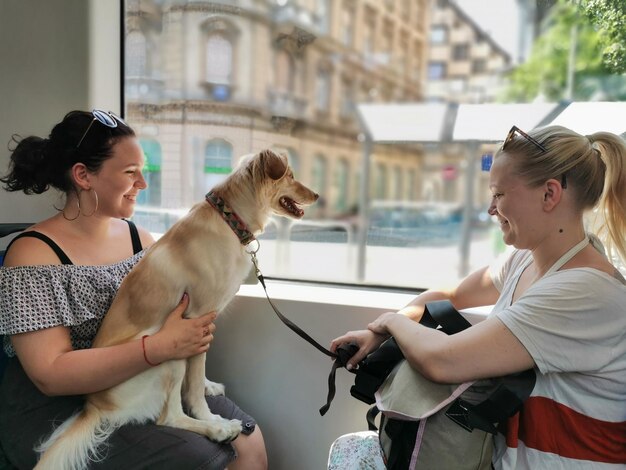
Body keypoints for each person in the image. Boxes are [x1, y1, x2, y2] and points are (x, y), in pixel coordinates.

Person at [331, 125, 626, 468]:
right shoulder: (524, 261)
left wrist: (391, 321)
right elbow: (449, 295)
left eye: (499, 194)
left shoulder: (583, 291)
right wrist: (376, 333)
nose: (490, 209)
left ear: (549, 195)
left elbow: (443, 360)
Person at [0, 110, 268, 469]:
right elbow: (50, 374)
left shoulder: (138, 238)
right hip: (62, 404)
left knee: (250, 442)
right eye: (130, 173)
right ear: (83, 176)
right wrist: (158, 348)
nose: (143, 182)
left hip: (141, 378)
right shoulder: (32, 255)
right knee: (200, 459)